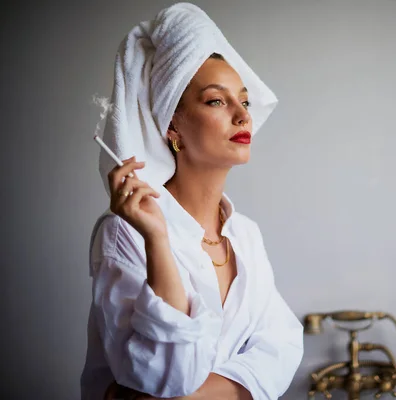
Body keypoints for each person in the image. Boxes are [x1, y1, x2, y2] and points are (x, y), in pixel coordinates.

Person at [80, 3, 304, 399]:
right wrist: (158, 241)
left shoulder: (246, 235)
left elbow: (283, 345)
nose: (242, 116)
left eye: (245, 101)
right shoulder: (125, 231)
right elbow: (162, 376)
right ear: (173, 127)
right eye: (217, 101)